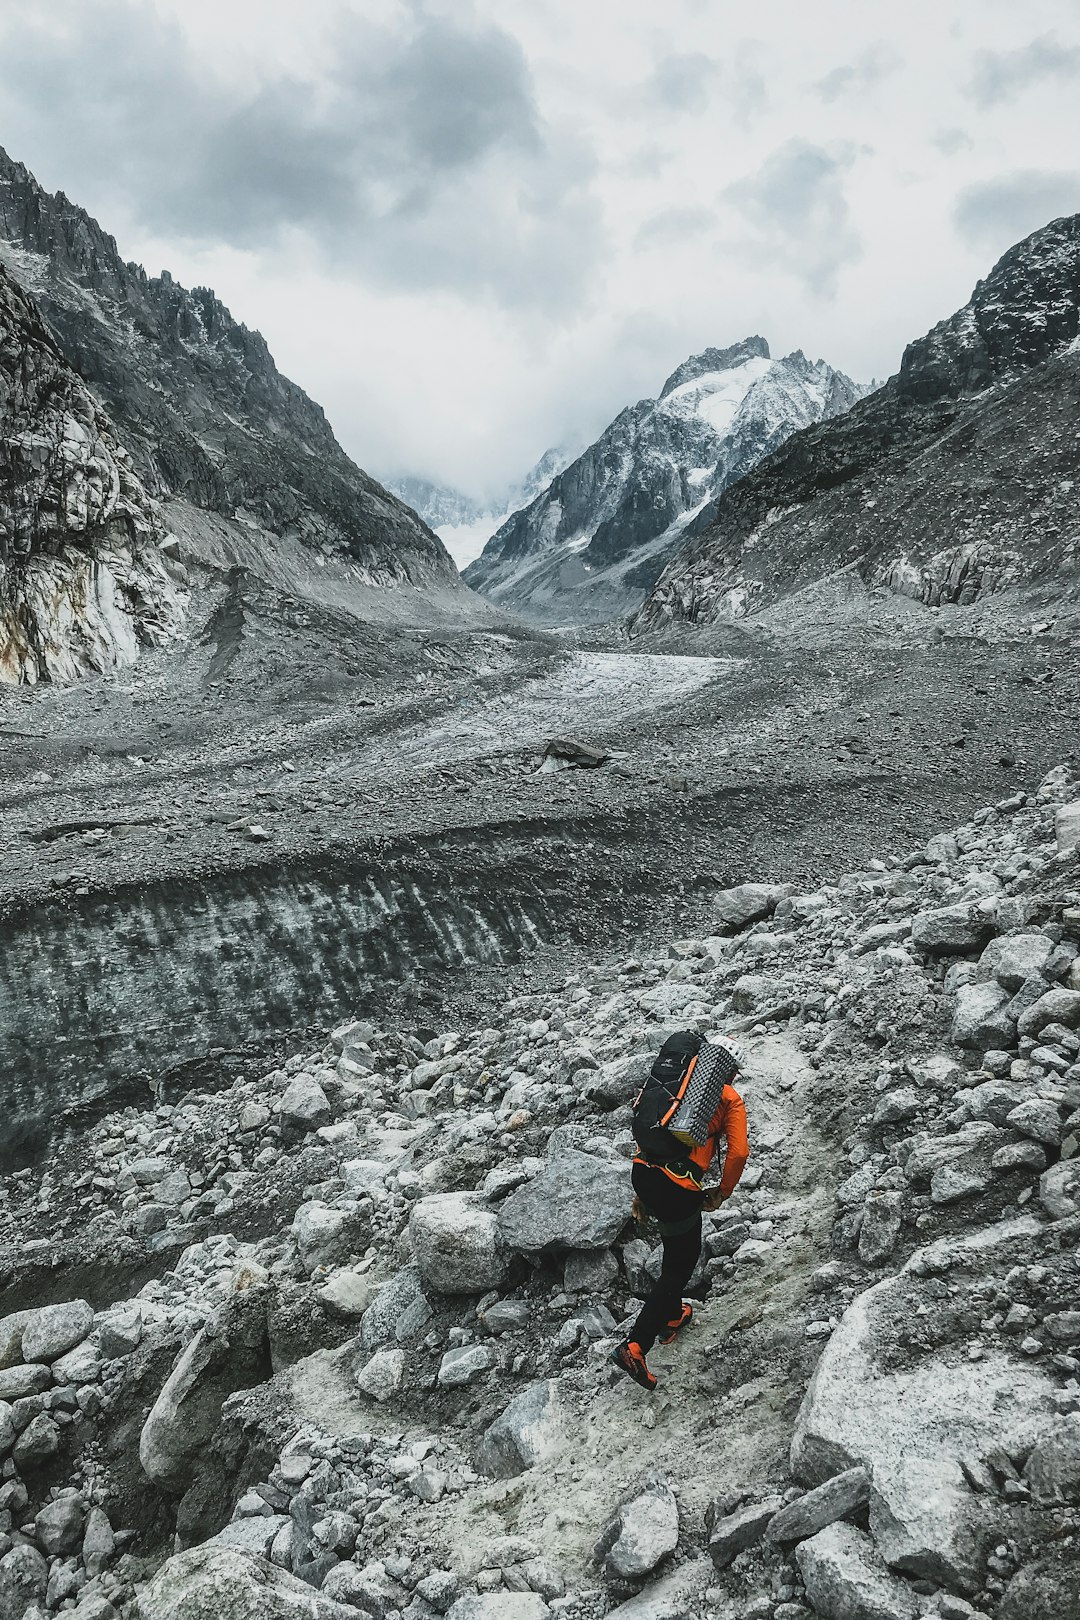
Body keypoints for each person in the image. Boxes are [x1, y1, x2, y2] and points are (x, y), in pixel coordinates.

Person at [611, 1042, 749, 1391]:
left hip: (643, 1173)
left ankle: (672, 1316)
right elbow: (739, 1153)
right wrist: (723, 1192)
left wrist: (642, 1195)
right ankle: (636, 1345)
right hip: (676, 1186)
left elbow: (651, 1131)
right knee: (679, 1266)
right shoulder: (728, 1097)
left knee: (675, 1250)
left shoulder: (674, 1086)